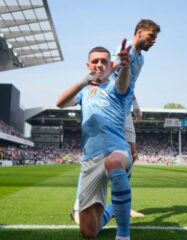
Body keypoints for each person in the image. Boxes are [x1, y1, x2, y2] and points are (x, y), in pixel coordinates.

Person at [70, 19, 161, 223]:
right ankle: (80, 204)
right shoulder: (122, 50)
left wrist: (136, 105)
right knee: (100, 156)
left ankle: (122, 205)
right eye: (151, 36)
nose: (154, 40)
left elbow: (129, 83)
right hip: (112, 107)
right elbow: (108, 75)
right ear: (139, 33)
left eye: (155, 37)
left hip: (125, 107)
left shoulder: (141, 58)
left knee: (130, 156)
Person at [56, 41, 133, 240]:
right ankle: (115, 208)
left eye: (104, 61)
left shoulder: (116, 87)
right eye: (95, 61)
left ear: (110, 65)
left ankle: (123, 235)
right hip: (90, 158)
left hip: (117, 151)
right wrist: (83, 82)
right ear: (88, 65)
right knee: (89, 231)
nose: (99, 64)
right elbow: (60, 103)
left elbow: (123, 82)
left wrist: (125, 65)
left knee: (114, 162)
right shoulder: (84, 92)